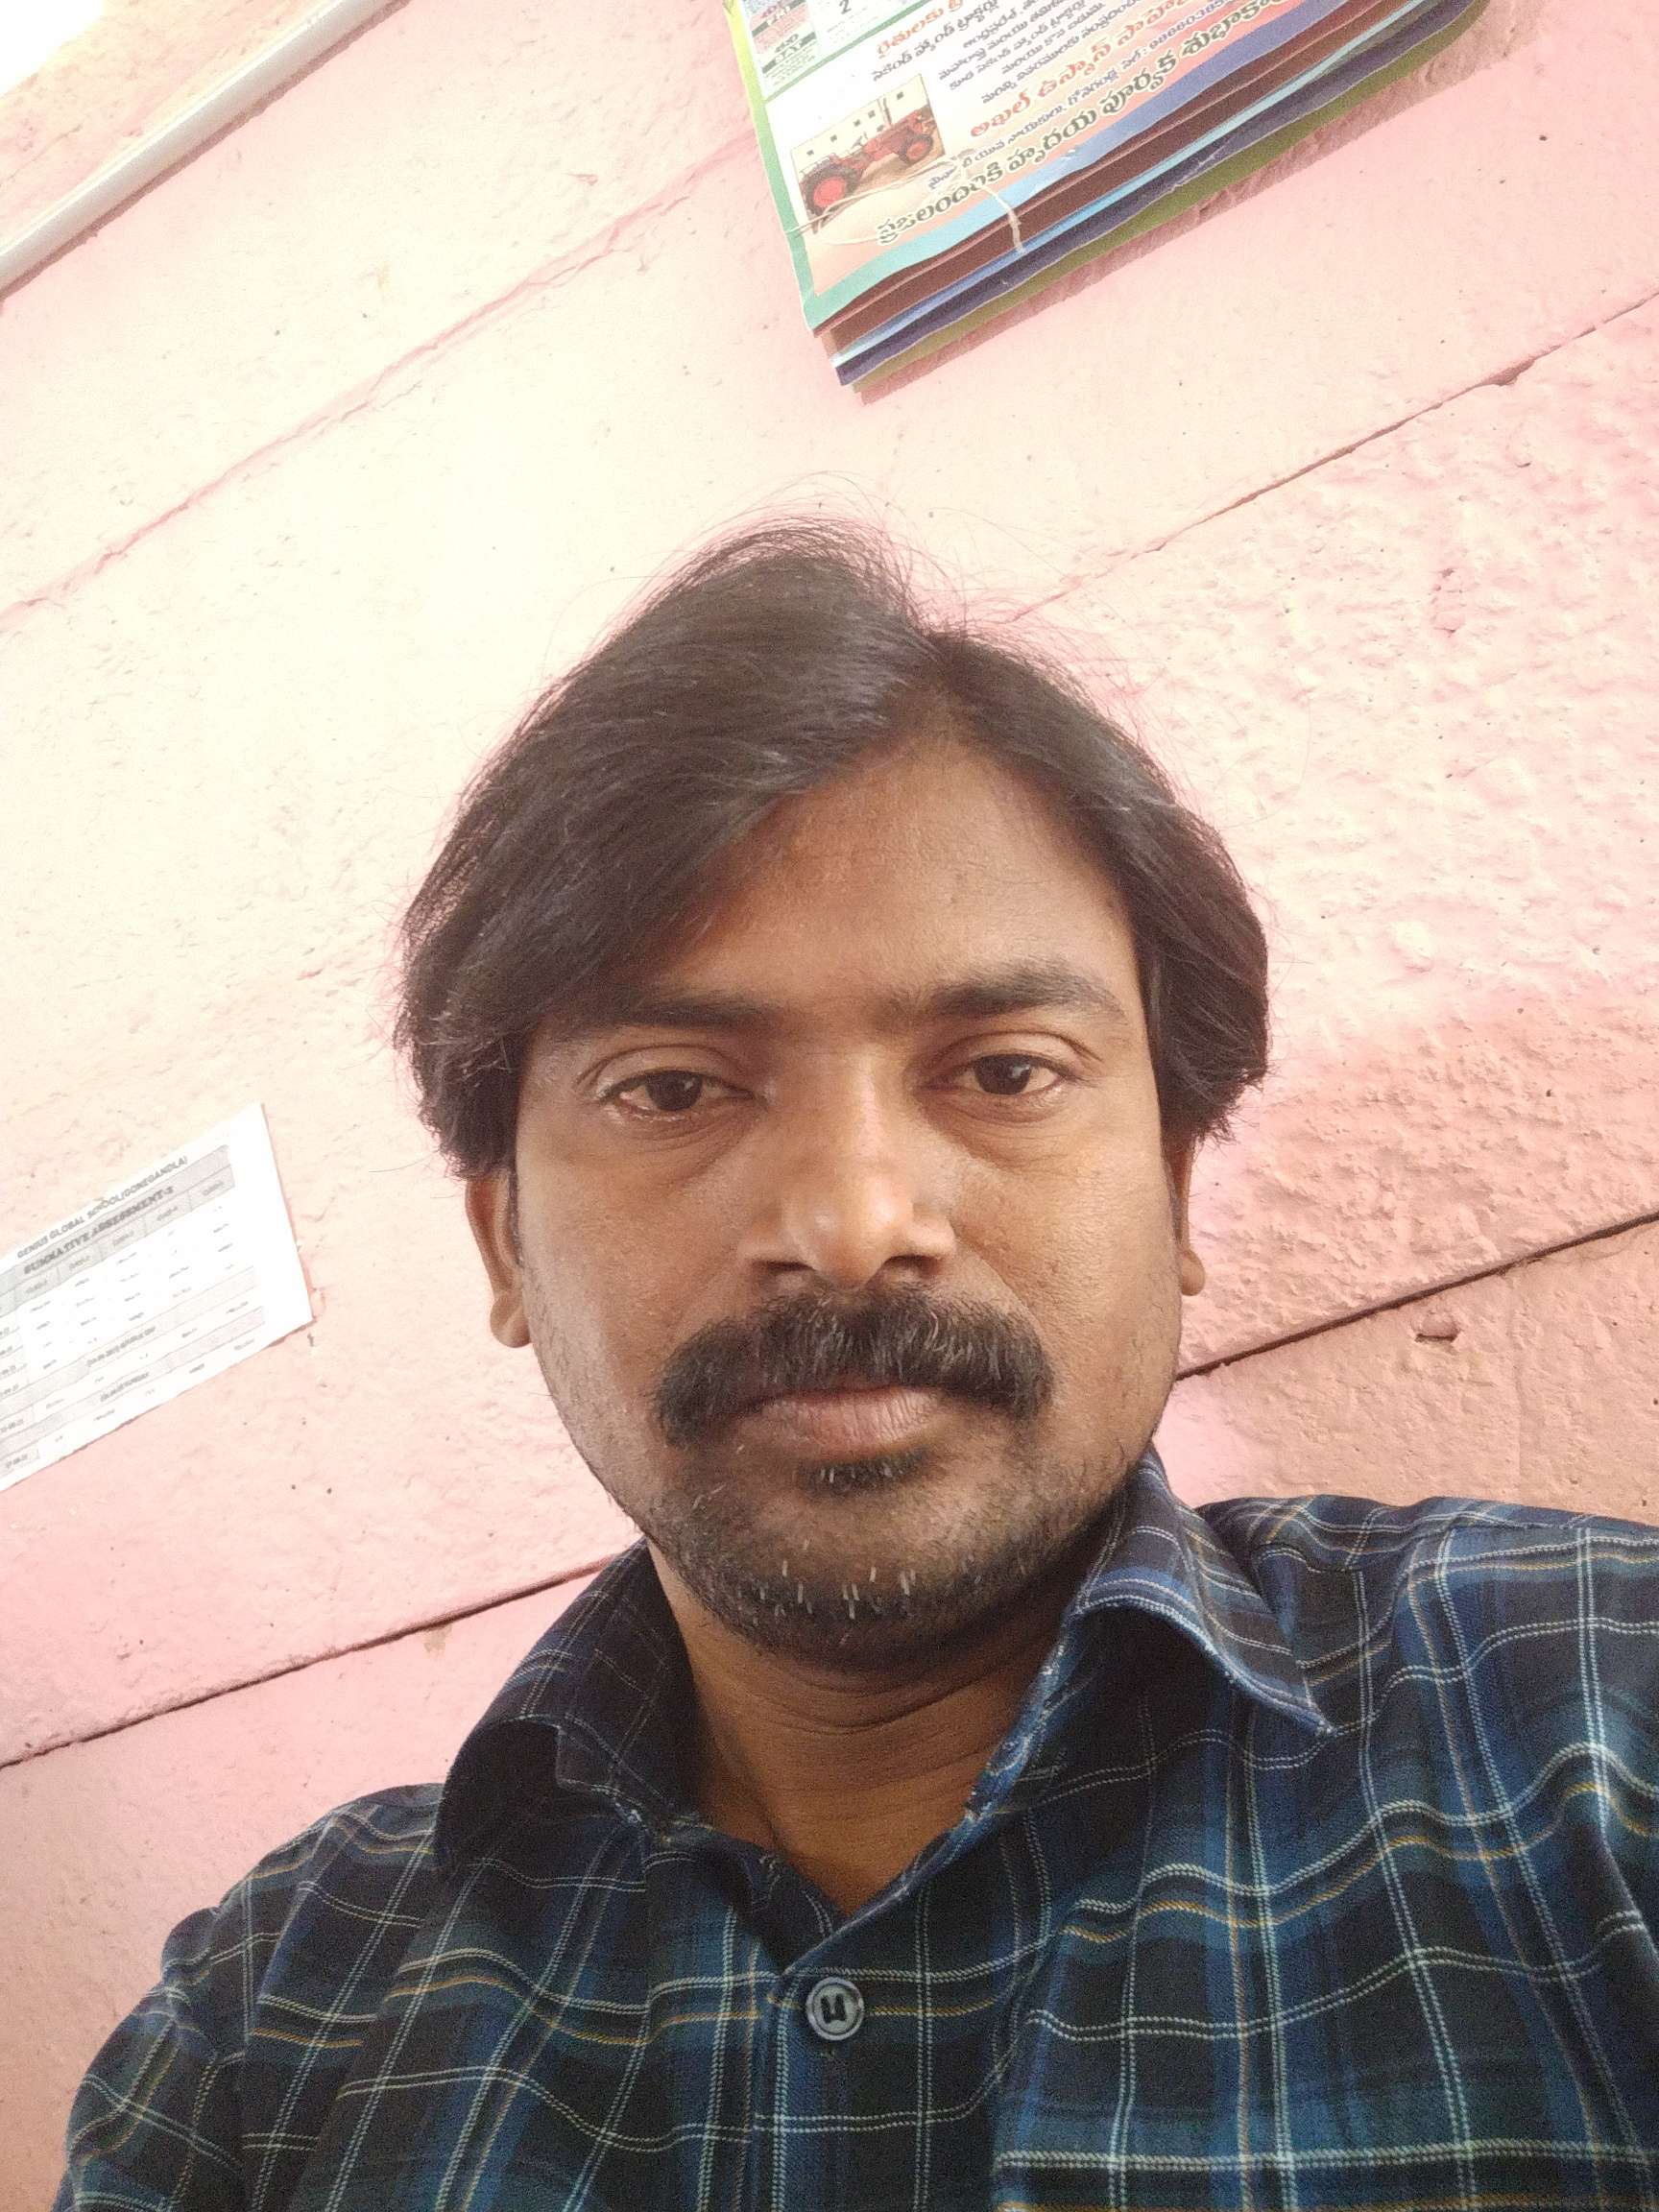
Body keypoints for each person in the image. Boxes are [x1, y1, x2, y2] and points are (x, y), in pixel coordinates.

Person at [56, 521, 1659, 2209]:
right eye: (673, 1089)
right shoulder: (276, 2017)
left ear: (1177, 1187)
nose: (852, 1223)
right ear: (505, 1243)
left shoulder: (1594, 1724)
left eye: (1006, 1070)